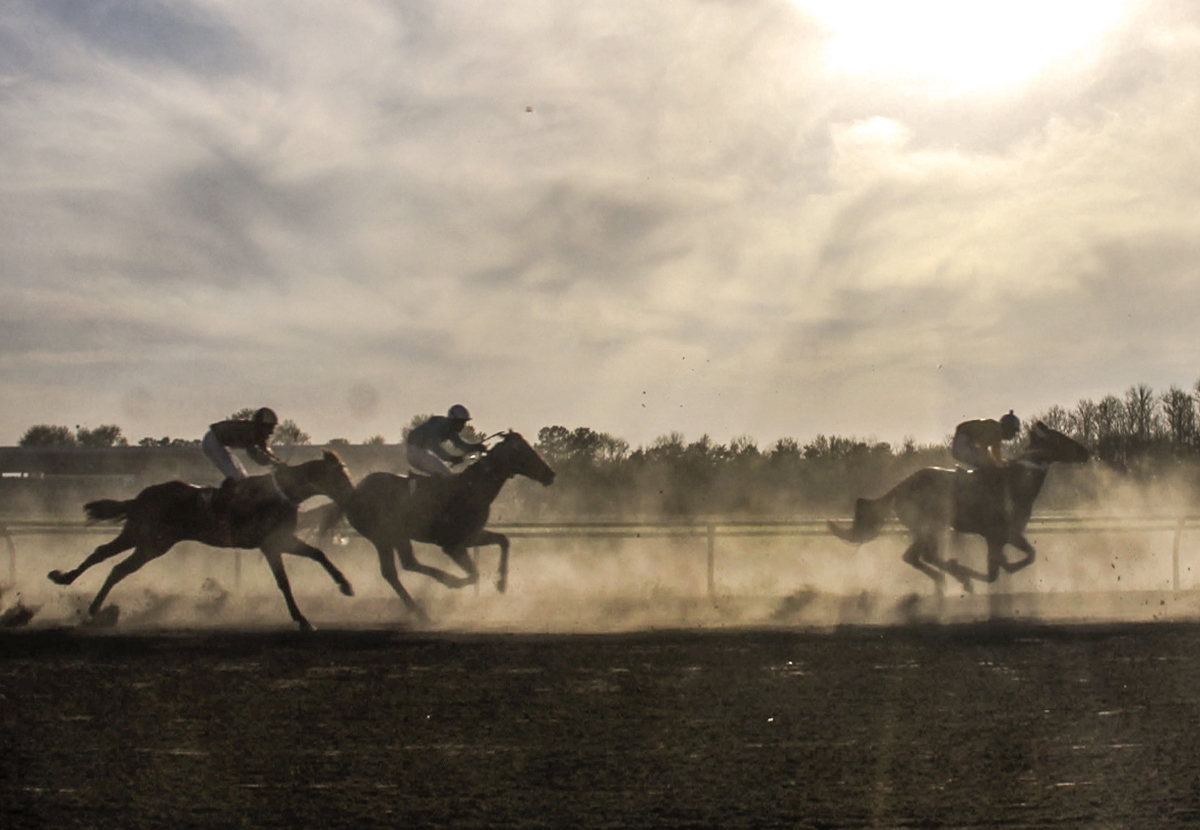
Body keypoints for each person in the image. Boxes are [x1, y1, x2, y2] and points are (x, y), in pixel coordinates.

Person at [202, 407, 283, 482]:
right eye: (270, 428)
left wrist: (277, 460)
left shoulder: (258, 433)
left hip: (217, 442)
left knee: (243, 476)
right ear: (262, 426)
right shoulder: (250, 432)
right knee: (236, 476)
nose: (271, 432)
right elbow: (254, 454)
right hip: (212, 441)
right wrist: (272, 462)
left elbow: (265, 450)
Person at [405, 404, 486, 478]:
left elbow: (460, 445)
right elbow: (434, 446)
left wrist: (476, 447)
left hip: (419, 452)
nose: (463, 426)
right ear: (453, 420)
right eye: (461, 422)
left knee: (445, 473)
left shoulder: (451, 430)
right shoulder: (440, 426)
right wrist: (451, 458)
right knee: (446, 475)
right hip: (415, 452)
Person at [951, 410, 1021, 470]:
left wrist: (1002, 463)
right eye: (1013, 431)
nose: (1013, 435)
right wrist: (989, 464)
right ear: (1007, 428)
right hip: (962, 440)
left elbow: (996, 455)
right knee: (986, 463)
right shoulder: (995, 430)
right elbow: (983, 448)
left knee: (987, 463)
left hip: (963, 441)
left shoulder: (997, 434)